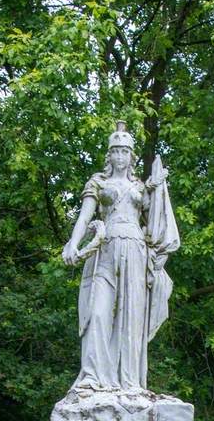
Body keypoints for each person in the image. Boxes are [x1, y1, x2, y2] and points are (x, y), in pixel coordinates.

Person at [61, 121, 180, 392]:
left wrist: (157, 191)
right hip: (104, 248)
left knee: (131, 317)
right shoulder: (98, 182)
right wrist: (73, 243)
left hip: (135, 250)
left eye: (124, 152)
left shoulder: (141, 186)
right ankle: (92, 378)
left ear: (131, 156)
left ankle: (128, 382)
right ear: (109, 155)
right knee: (97, 312)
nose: (119, 157)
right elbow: (84, 216)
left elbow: (155, 223)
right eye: (115, 151)